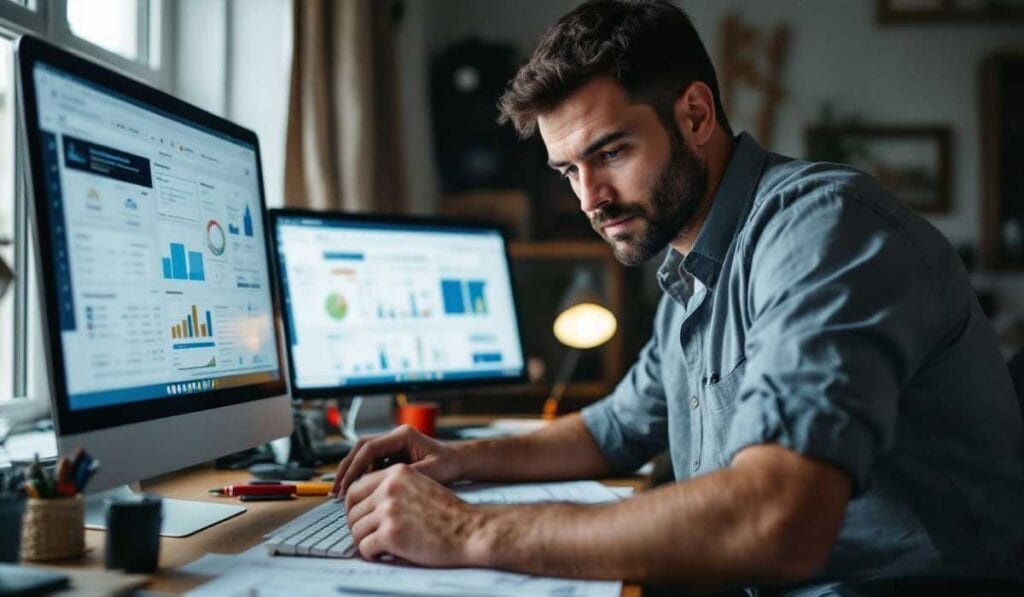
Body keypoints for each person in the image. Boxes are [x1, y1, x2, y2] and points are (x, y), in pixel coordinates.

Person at [332, 0, 1024, 592]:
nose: (590, 199)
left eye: (610, 152)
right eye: (568, 169)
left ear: (695, 114)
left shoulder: (820, 230)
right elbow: (613, 429)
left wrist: (468, 529)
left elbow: (776, 517)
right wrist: (456, 458)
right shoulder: (692, 271)